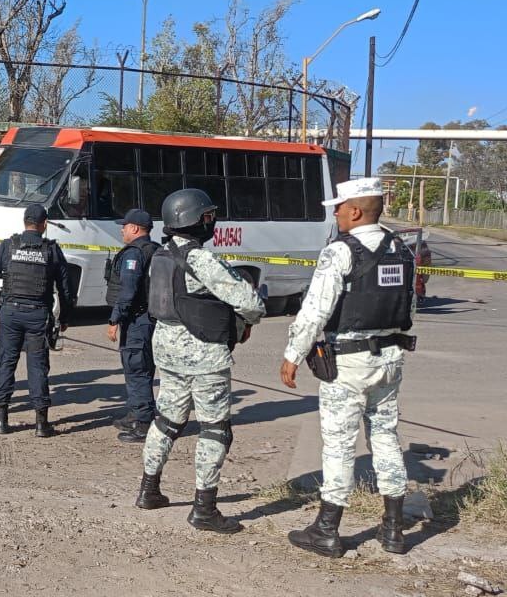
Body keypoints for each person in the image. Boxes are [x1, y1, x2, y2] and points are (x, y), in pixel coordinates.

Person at [279, 177, 417, 557]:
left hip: (349, 361)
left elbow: (315, 308)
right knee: (386, 436)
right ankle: (393, 530)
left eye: (339, 207)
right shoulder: (403, 249)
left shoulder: (341, 251)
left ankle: (327, 530)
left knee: (339, 444)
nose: (335, 212)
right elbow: (409, 308)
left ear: (355, 211)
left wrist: (293, 353)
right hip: (390, 358)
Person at [133, 188, 264, 534]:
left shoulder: (160, 255)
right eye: (208, 216)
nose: (212, 221)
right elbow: (249, 301)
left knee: (167, 420)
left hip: (167, 348)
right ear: (193, 219)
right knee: (215, 428)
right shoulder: (201, 259)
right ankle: (204, 508)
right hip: (204, 352)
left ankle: (149, 489)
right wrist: (246, 320)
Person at [0, 204, 73, 438]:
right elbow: (65, 287)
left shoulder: (9, 246)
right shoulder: (51, 250)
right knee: (38, 366)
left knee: (5, 363)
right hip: (38, 314)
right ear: (44, 224)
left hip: (10, 313)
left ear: (24, 222)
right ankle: (41, 424)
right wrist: (66, 317)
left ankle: (1, 420)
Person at [106, 208, 160, 444]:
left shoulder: (134, 254)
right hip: (151, 318)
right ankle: (136, 412)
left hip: (138, 319)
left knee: (136, 368)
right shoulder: (156, 250)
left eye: (125, 226)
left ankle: (143, 424)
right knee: (142, 367)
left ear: (135, 229)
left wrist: (115, 319)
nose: (122, 229)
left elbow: (128, 291)